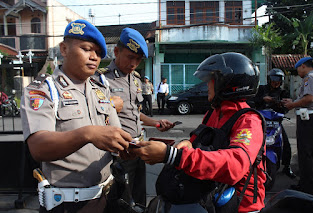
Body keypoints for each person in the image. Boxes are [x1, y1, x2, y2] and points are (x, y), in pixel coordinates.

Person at [20, 19, 133, 213]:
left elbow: (117, 135)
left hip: (107, 198)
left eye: (98, 53)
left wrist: (137, 147)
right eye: (87, 49)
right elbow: (38, 147)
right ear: (64, 49)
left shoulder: (100, 90)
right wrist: (87, 134)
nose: (94, 57)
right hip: (68, 204)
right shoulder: (43, 90)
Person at [132, 52, 266, 212]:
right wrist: (185, 144)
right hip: (211, 193)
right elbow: (198, 139)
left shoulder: (248, 120)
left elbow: (235, 165)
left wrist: (173, 156)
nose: (207, 85)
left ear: (226, 84)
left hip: (240, 204)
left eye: (211, 81)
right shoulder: (215, 112)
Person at [97, 27, 174, 212]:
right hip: (119, 152)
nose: (134, 63)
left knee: (140, 196)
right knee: (121, 199)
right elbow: (97, 113)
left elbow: (134, 113)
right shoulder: (102, 80)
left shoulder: (136, 80)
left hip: (139, 146)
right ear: (116, 51)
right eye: (130, 57)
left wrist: (156, 123)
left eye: (138, 60)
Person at [283, 57, 313, 197]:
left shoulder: (309, 78)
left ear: (303, 66)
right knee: (306, 153)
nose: (298, 71)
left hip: (308, 119)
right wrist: (294, 101)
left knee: (306, 154)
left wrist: (292, 105)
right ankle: (305, 184)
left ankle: (310, 189)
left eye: (298, 68)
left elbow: (309, 98)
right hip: (309, 118)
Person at [254, 68, 296, 179]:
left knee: (286, 144)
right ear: (269, 79)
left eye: (278, 80)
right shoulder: (262, 89)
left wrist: (279, 104)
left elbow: (286, 108)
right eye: (273, 80)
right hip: (261, 122)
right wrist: (263, 99)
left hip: (275, 123)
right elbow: (254, 101)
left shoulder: (283, 92)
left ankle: (286, 166)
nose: (275, 82)